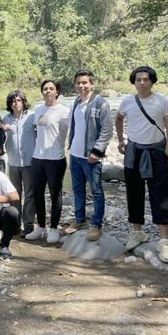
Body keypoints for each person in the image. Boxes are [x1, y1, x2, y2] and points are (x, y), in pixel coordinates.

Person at [116, 66, 168, 263]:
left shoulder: (164, 102)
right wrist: (121, 140)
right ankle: (137, 231)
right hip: (134, 152)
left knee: (160, 194)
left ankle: (164, 240)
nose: (142, 82)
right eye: (138, 79)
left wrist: (165, 154)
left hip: (156, 152)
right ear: (134, 82)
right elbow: (118, 118)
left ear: (152, 81)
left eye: (146, 79)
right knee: (134, 192)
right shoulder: (127, 101)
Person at [66, 70, 113, 241]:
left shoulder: (101, 103)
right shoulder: (76, 101)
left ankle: (96, 224)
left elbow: (107, 130)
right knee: (78, 189)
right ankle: (79, 220)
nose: (81, 85)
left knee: (96, 191)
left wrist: (97, 151)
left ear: (92, 84)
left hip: (90, 156)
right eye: (78, 82)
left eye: (85, 83)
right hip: (75, 154)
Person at [26, 80, 70, 244]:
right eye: (45, 89)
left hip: (56, 158)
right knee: (37, 193)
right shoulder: (38, 110)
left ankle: (53, 228)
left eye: (51, 89)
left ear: (57, 92)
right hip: (38, 158)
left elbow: (77, 129)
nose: (48, 91)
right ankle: (41, 227)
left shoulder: (65, 111)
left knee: (55, 194)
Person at [2, 90, 36, 236]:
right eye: (13, 101)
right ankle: (15, 225)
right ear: (10, 104)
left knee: (30, 195)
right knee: (15, 195)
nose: (16, 103)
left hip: (30, 162)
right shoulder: (5, 119)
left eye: (19, 100)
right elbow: (0, 139)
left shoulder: (32, 117)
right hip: (13, 162)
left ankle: (28, 225)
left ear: (24, 102)